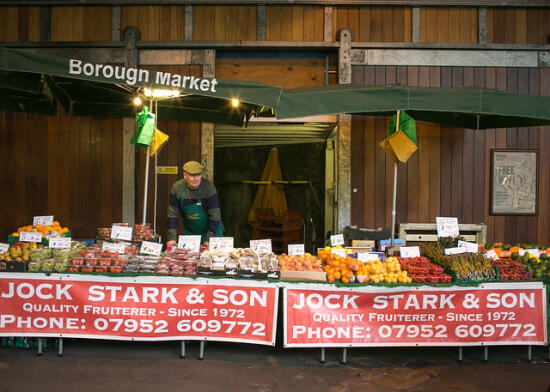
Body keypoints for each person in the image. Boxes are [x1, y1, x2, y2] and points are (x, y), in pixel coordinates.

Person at [166, 160, 223, 248]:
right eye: (192, 175)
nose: (196, 179)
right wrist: (172, 238)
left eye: (199, 175)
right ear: (185, 175)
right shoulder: (177, 188)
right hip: (190, 233)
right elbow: (172, 215)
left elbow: (215, 216)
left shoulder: (208, 187)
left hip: (212, 231)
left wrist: (208, 239)